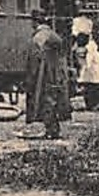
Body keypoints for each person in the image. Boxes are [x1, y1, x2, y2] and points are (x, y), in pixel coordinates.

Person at [23, 8, 70, 138]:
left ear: (34, 22)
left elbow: (34, 58)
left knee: (46, 100)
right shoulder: (51, 34)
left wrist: (30, 77)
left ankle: (51, 130)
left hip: (44, 73)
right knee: (52, 99)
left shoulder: (39, 37)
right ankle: (52, 129)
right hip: (56, 72)